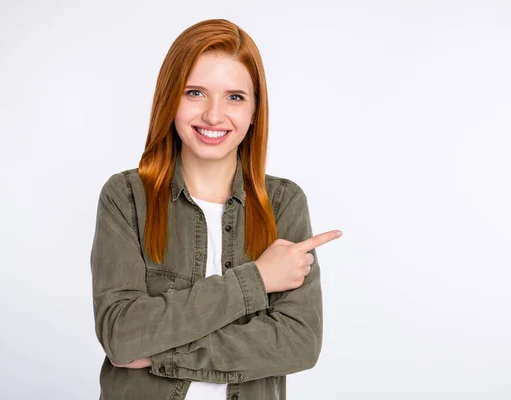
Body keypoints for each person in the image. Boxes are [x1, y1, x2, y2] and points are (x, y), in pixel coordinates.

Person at [90, 18, 342, 400]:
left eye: (235, 97)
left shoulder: (284, 204)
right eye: (195, 93)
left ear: (255, 110)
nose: (212, 115)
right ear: (169, 97)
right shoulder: (126, 197)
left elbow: (299, 342)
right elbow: (121, 335)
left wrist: (158, 350)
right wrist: (257, 279)